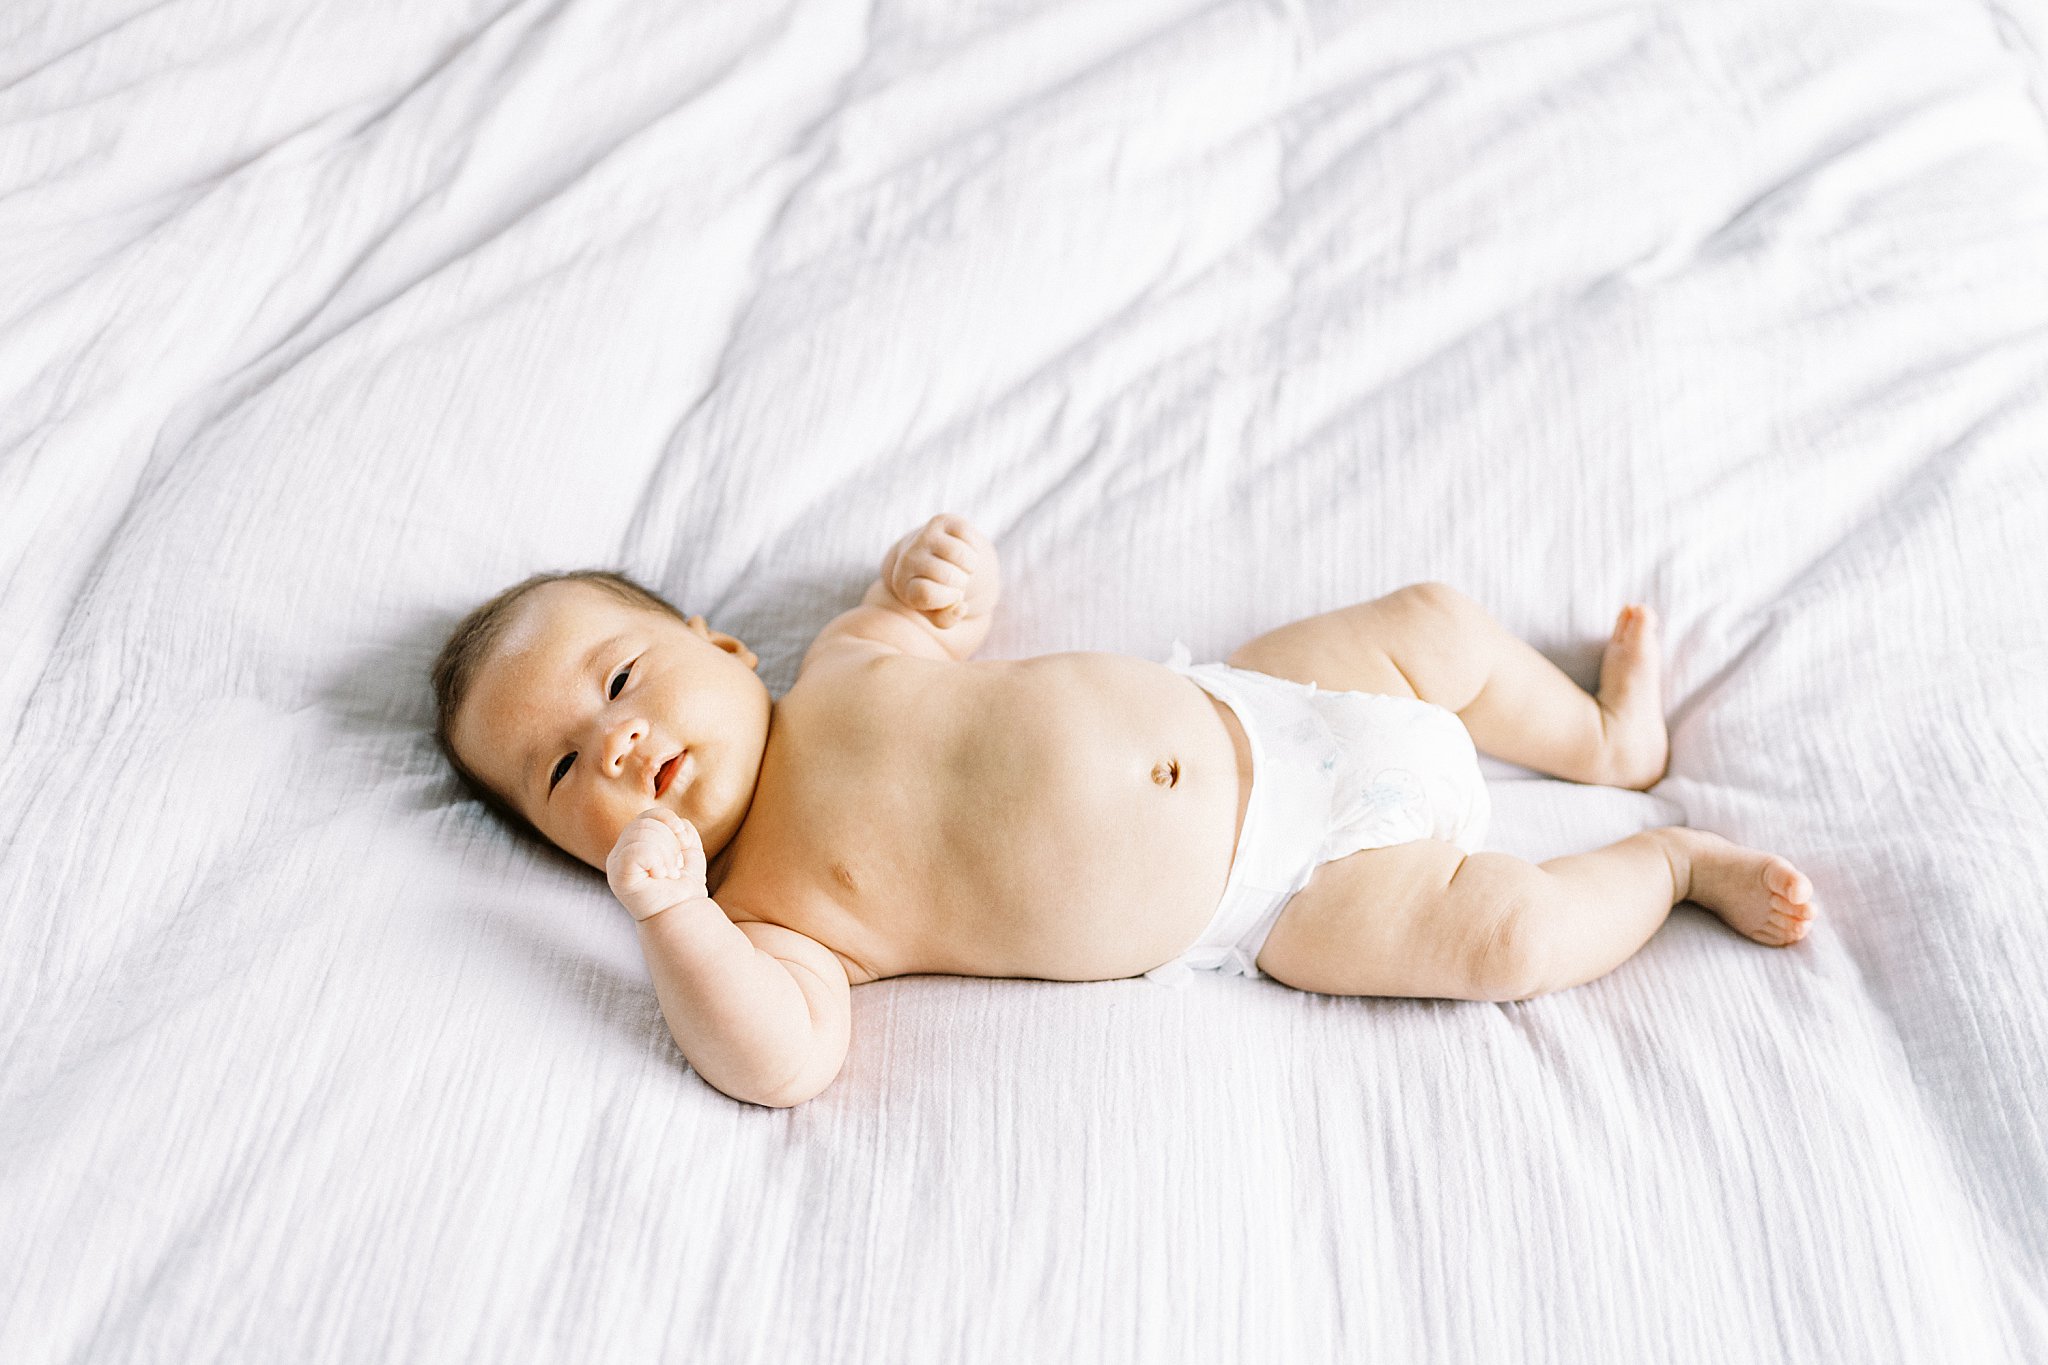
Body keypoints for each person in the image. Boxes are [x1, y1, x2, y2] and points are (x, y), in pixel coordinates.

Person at [431, 515, 1816, 1107]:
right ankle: (1667, 862)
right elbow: (778, 1059)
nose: (611, 740)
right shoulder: (773, 912)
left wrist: (934, 574)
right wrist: (674, 919)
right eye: (559, 775)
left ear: (722, 645)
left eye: (619, 676)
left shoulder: (844, 662)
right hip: (1277, 890)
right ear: (571, 850)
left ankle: (1605, 741)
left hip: (1264, 703)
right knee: (1505, 939)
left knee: (1437, 626)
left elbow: (936, 609)